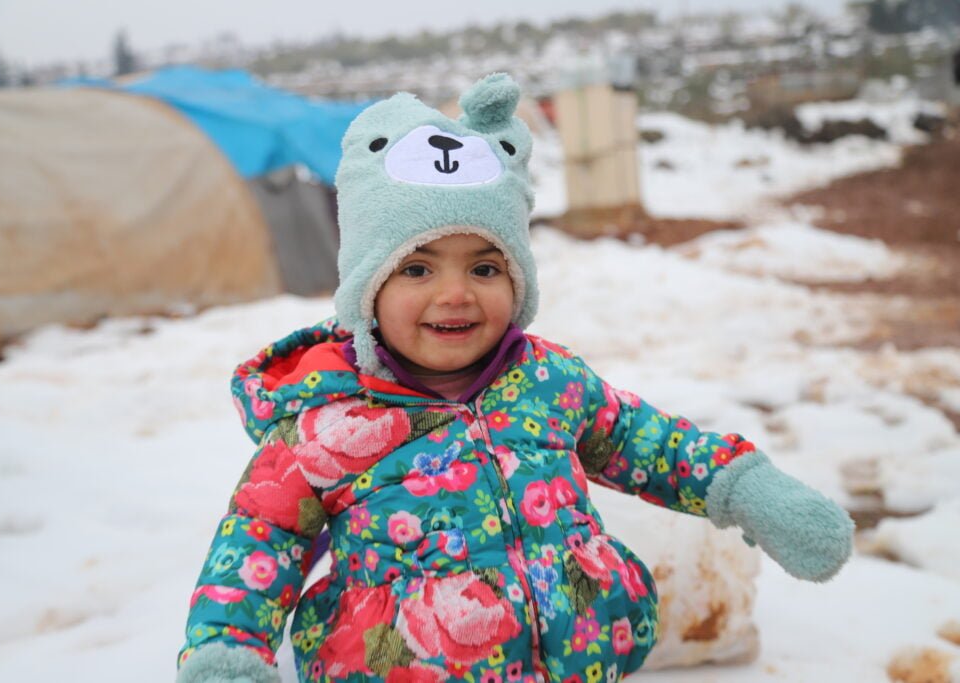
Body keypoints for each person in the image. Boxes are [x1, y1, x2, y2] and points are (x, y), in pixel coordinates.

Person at [176, 73, 853, 683]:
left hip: (581, 658)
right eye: (417, 268)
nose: (455, 294)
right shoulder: (323, 424)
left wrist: (748, 489)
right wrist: (227, 655)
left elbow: (650, 443)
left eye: (484, 267)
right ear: (366, 290)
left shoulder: (549, 382)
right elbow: (256, 545)